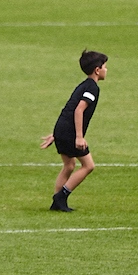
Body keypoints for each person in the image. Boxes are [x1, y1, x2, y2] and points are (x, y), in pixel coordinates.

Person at [40, 49, 108, 212]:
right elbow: (78, 110)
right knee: (88, 166)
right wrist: (79, 136)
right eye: (105, 66)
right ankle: (61, 196)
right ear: (97, 70)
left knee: (69, 165)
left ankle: (57, 203)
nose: (107, 70)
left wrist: (57, 133)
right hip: (70, 132)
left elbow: (68, 109)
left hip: (62, 129)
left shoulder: (84, 85)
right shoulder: (92, 88)